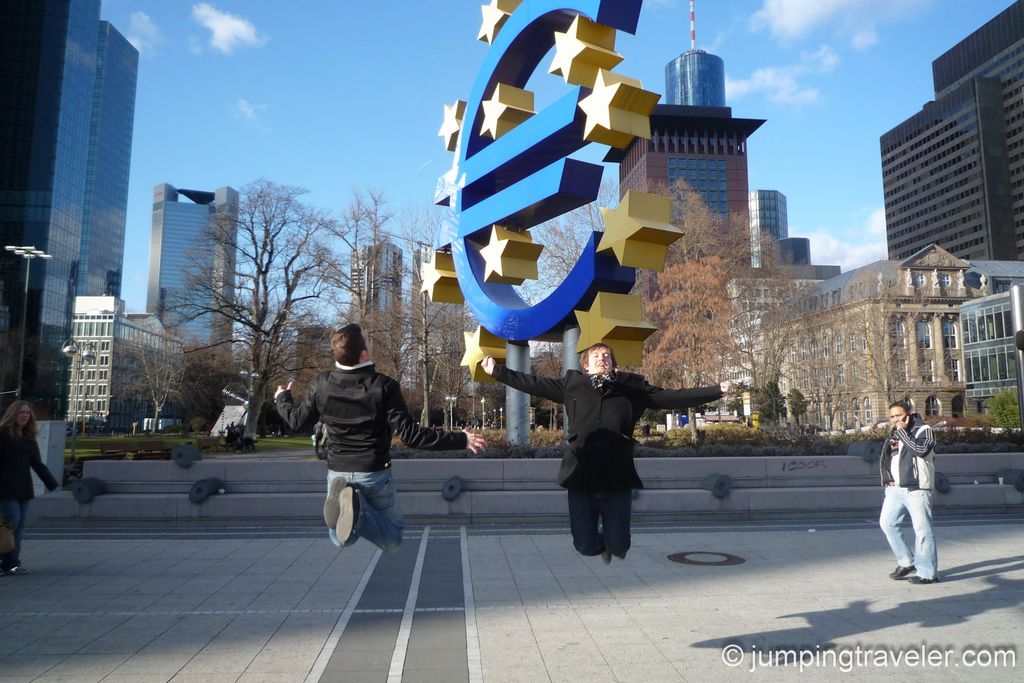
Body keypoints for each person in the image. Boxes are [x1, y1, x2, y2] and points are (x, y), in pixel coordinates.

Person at [481, 344, 729, 564]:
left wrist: (716, 390)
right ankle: (600, 546)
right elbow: (534, 383)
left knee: (620, 546)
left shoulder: (631, 387)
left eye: (607, 356)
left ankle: (612, 545)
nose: (603, 358)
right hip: (581, 475)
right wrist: (498, 371)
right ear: (586, 365)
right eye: (596, 355)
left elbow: (670, 397)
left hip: (616, 475)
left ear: (613, 363)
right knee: (585, 545)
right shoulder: (572, 385)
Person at [276, 324, 485, 552]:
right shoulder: (384, 386)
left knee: (340, 538)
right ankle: (358, 509)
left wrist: (282, 398)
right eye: (369, 339)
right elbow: (411, 436)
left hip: (337, 470)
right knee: (393, 538)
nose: (373, 340)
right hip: (373, 474)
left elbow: (296, 421)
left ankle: (350, 506)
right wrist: (461, 440)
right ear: (363, 354)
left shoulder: (321, 383)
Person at [879, 400, 938, 584]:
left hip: (916, 487)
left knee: (922, 529)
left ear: (909, 413)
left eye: (899, 415)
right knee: (887, 523)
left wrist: (903, 432)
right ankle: (906, 561)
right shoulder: (894, 433)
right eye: (893, 416)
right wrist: (887, 477)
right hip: (895, 488)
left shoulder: (923, 430)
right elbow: (887, 457)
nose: (896, 419)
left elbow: (921, 450)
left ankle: (928, 573)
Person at [0, 401, 60, 576]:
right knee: (10, 525)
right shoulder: (3, 436)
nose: (25, 415)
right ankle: (6, 561)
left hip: (23, 488)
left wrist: (53, 484)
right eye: (21, 413)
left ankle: (12, 563)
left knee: (19, 527)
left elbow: (37, 464)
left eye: (27, 412)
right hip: (5, 487)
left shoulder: (28, 438)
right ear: (12, 415)